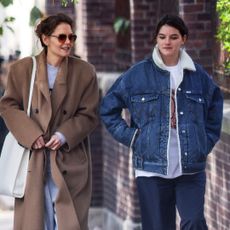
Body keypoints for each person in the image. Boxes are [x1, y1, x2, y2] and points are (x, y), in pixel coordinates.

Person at [100, 14, 223, 230]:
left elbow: (215, 105)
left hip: (190, 168)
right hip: (151, 169)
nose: (167, 42)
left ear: (183, 39)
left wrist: (206, 140)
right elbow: (108, 108)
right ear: (156, 39)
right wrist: (133, 138)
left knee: (194, 221)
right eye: (162, 36)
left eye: (173, 37)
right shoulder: (138, 74)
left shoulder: (197, 75)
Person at [0, 13, 99, 230]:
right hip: (33, 159)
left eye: (71, 38)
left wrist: (64, 134)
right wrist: (31, 134)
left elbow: (90, 114)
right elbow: (8, 105)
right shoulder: (22, 69)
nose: (68, 43)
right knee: (35, 222)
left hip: (69, 159)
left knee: (69, 222)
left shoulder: (85, 72)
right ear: (46, 39)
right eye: (61, 37)